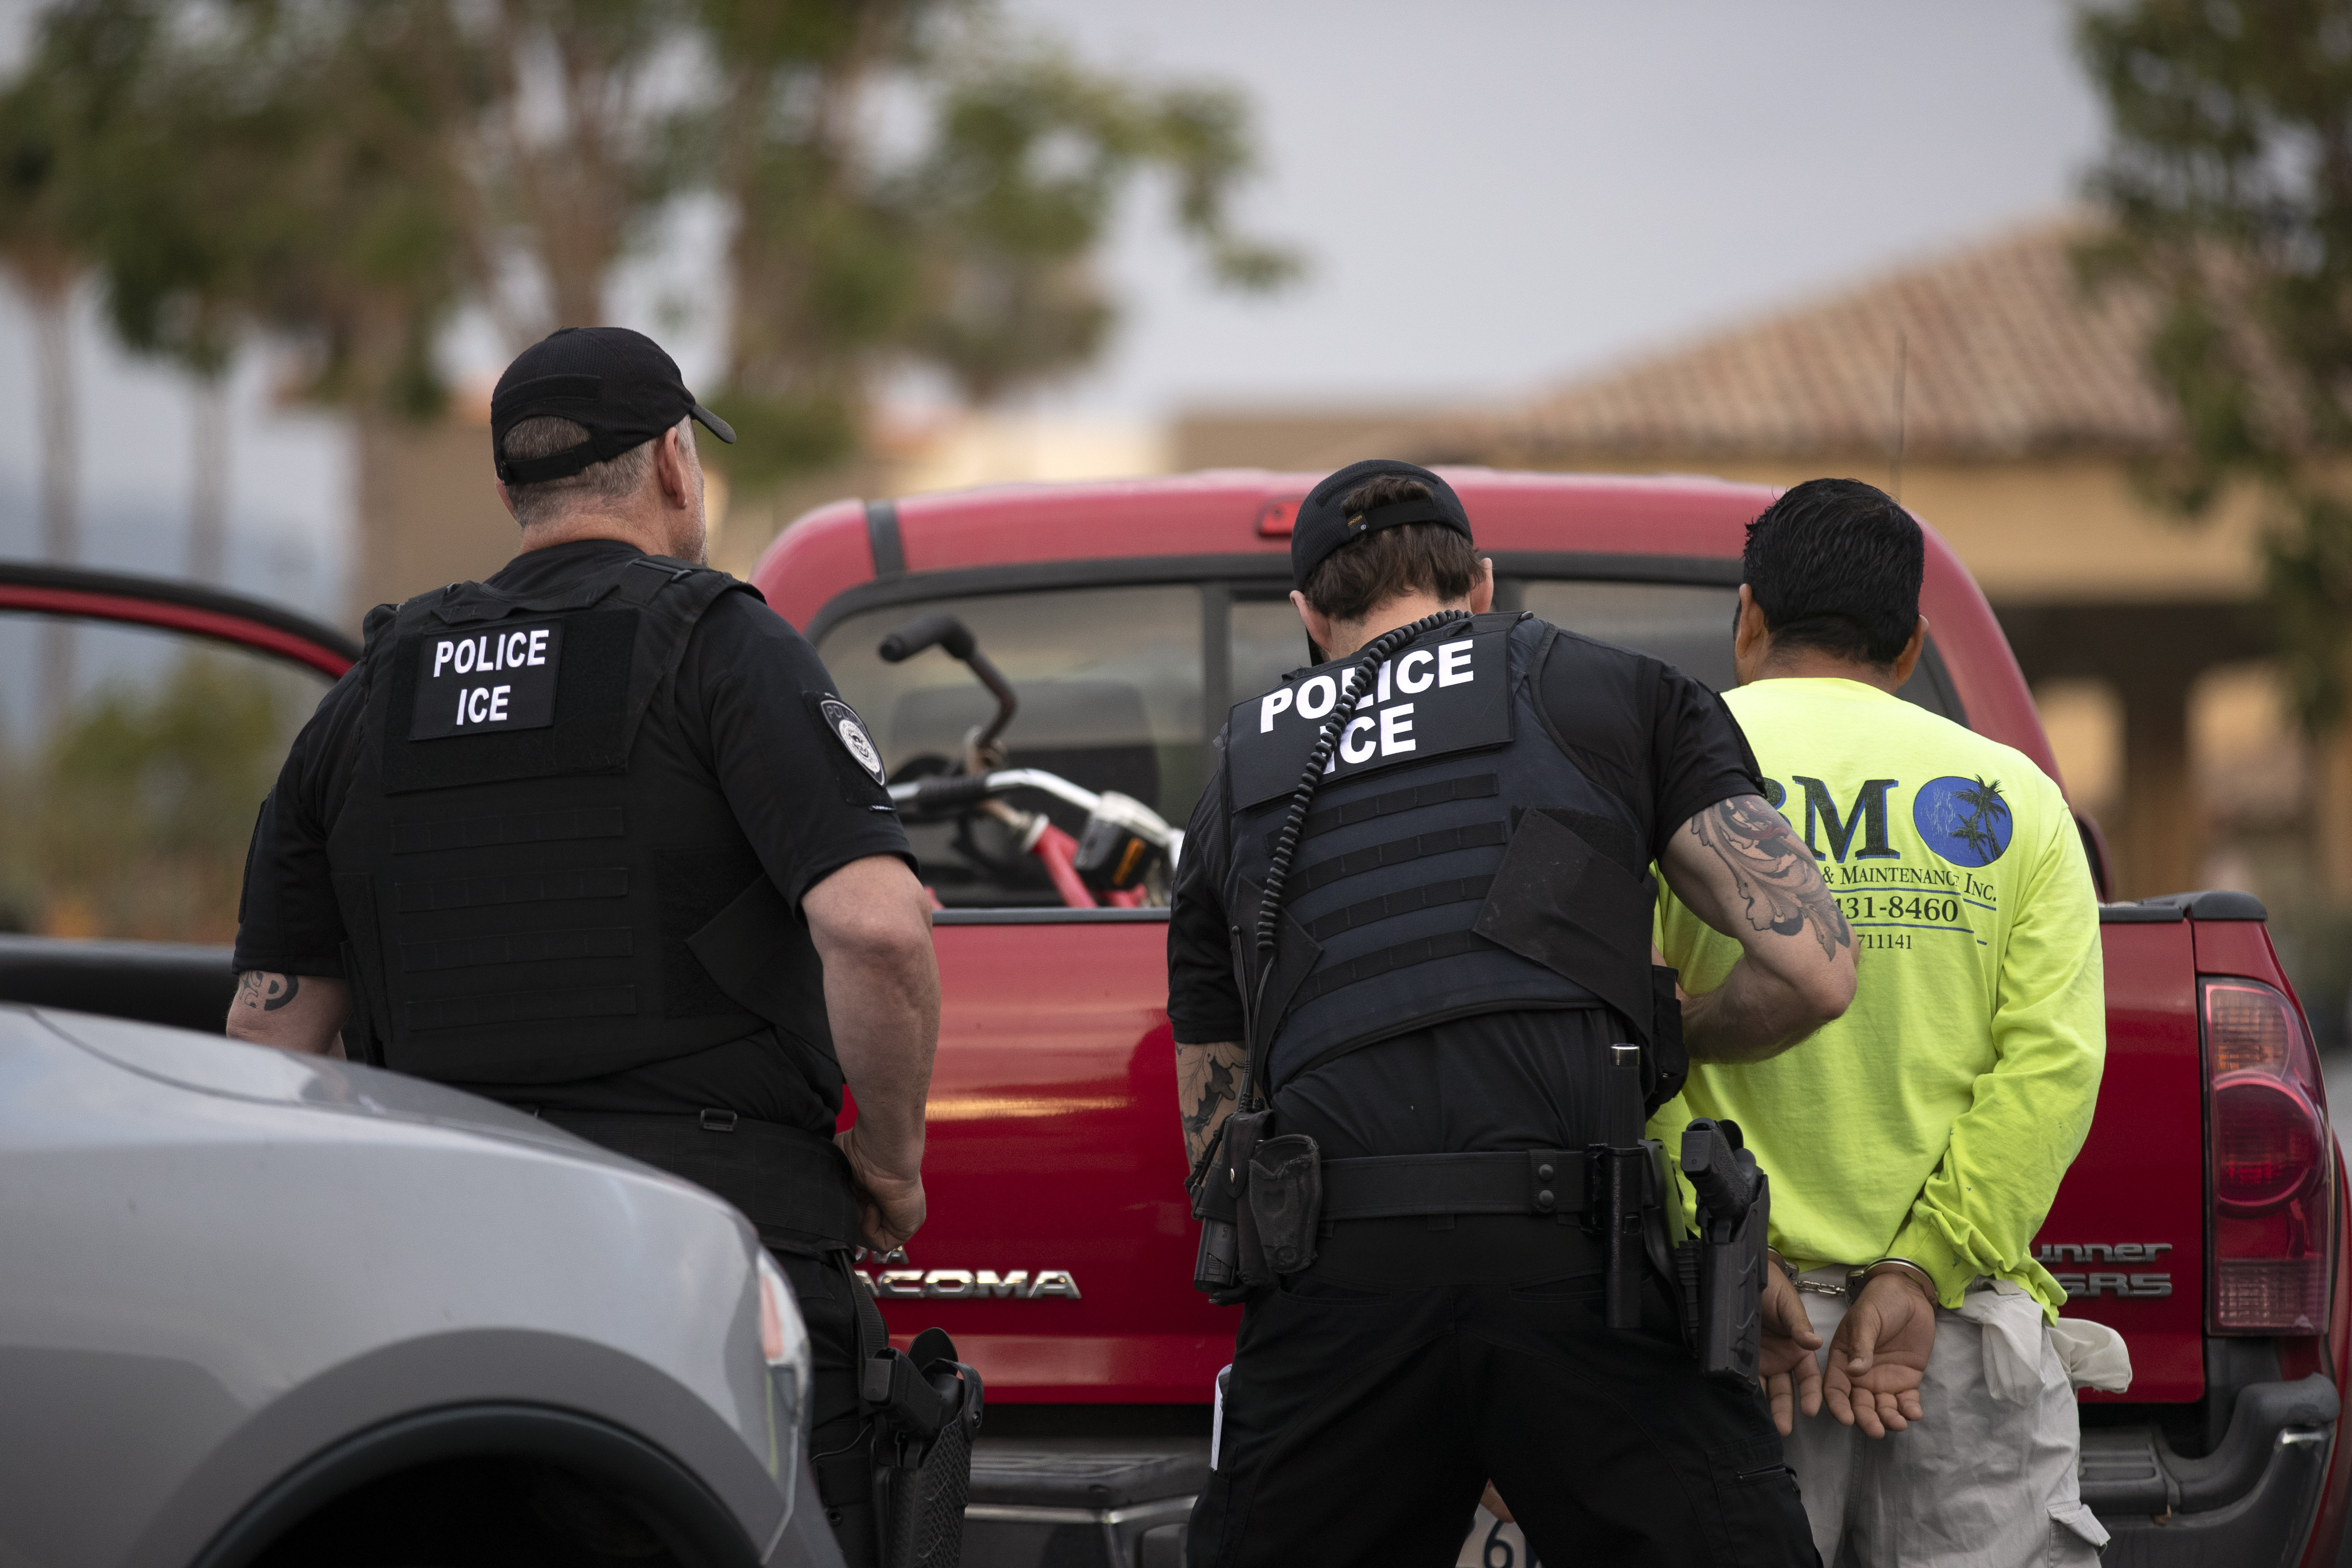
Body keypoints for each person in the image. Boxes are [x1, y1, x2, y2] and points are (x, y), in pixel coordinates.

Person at [224, 326, 941, 1564]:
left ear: (513, 489)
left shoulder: (373, 686)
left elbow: (270, 1034)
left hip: (440, 1265)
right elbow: (874, 926)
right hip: (711, 1253)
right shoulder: (723, 643)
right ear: (674, 461)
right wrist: (890, 1162)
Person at [1166, 458, 1856, 1568]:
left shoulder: (1237, 779)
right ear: (1478, 583)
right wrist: (1672, 1035)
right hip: (1578, 1265)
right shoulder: (1612, 689)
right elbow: (1816, 970)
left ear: (1306, 613)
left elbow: (1214, 1139)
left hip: (1340, 1291)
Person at [1649, 477, 2110, 1565]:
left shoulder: (1659, 776)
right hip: (1948, 1346)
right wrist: (1925, 1262)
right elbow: (2054, 1065)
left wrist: (1721, 1238)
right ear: (1908, 648)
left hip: (1727, 1330)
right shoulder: (2019, 798)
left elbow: (1616, 1037)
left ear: (1748, 619)